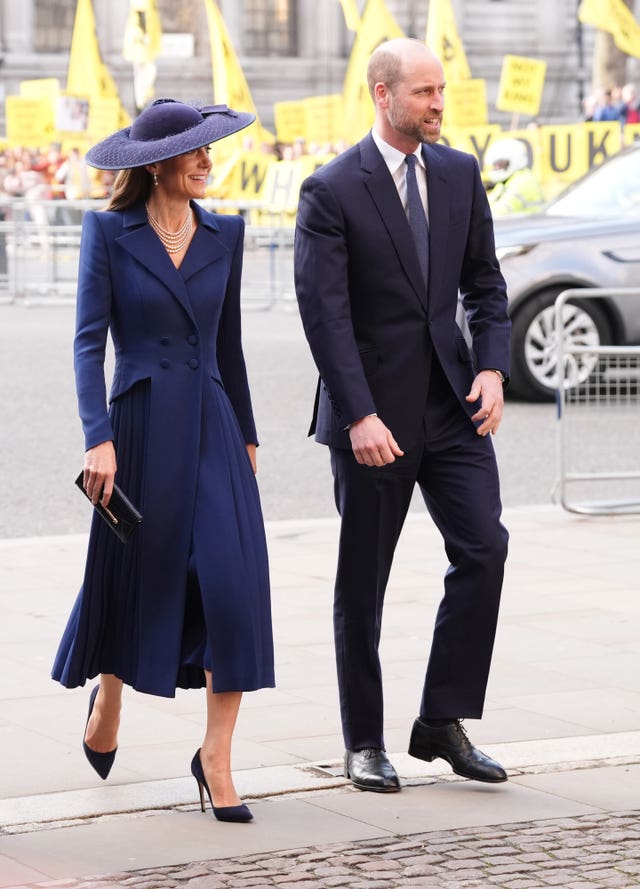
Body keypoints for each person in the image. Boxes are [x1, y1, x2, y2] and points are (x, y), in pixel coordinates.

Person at [294, 39, 511, 794]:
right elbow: (324, 316)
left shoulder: (459, 172)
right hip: (372, 420)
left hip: (453, 408)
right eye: (424, 92)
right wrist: (357, 414)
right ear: (382, 95)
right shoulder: (330, 189)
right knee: (364, 580)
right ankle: (364, 740)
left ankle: (441, 719)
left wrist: (491, 365)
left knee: (485, 549)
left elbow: (485, 284)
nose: (439, 104)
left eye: (441, 90)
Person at [51, 99, 275, 823]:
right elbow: (89, 342)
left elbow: (230, 344)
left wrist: (247, 433)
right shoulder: (108, 233)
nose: (209, 161)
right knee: (138, 577)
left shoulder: (228, 233)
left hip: (212, 423)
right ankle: (109, 694)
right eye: (195, 152)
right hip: (139, 425)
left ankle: (216, 755)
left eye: (210, 149)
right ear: (156, 165)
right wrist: (97, 434)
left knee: (233, 587)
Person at [484, 137, 545, 216]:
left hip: (528, 226)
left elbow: (499, 213)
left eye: (500, 164)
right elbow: (489, 203)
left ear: (514, 161)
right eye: (495, 165)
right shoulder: (507, 181)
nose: (496, 168)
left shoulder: (524, 182)